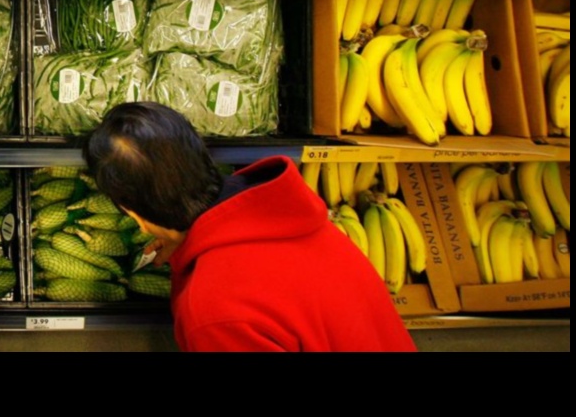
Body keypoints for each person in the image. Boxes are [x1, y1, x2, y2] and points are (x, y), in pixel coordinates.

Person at [83, 102, 418, 353]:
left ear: (132, 213)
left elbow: (232, 305)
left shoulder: (214, 311)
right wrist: (186, 249)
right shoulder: (296, 221)